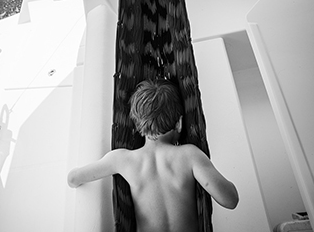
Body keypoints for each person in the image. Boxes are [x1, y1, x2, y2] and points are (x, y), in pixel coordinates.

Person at [67, 79, 238, 232]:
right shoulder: (189, 155)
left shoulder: (123, 160)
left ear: (138, 125)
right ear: (179, 123)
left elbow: (73, 178)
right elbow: (230, 200)